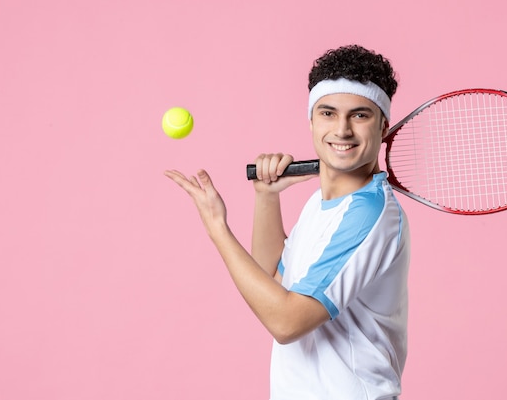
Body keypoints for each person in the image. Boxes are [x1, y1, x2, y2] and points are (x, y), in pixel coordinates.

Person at [164, 45, 410, 400]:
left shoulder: (368, 215)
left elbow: (286, 321)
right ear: (311, 121)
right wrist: (267, 197)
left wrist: (218, 229)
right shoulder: (323, 204)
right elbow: (272, 279)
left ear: (384, 125)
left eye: (359, 115)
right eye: (328, 113)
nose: (341, 130)